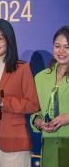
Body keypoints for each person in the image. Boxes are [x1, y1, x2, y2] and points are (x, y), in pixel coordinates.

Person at [0, 18, 40, 167]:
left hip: (15, 142)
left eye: (0, 38)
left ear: (8, 40)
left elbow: (33, 105)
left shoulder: (22, 69)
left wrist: (4, 101)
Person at [30, 26, 69, 167]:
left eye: (67, 47)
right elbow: (35, 112)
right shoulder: (41, 77)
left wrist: (67, 118)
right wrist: (38, 122)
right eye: (57, 46)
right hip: (49, 144)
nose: (61, 51)